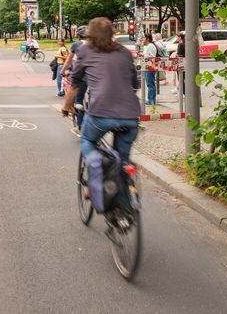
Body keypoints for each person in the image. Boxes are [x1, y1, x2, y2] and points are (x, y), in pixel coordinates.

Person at [63, 17, 139, 206]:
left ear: (89, 35)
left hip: (101, 112)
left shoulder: (85, 51)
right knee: (122, 161)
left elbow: (75, 83)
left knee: (87, 139)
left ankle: (95, 162)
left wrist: (66, 107)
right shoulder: (124, 52)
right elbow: (134, 84)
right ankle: (125, 211)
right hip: (130, 115)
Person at [61, 25, 88, 131]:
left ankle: (80, 125)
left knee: (78, 99)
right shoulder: (95, 44)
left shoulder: (76, 45)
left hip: (81, 76)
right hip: (96, 76)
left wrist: (62, 71)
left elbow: (68, 61)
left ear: (78, 36)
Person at [143, 33, 158, 106]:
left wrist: (144, 57)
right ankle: (151, 99)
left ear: (147, 39)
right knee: (150, 83)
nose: (143, 39)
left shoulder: (150, 46)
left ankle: (151, 100)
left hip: (150, 66)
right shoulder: (149, 46)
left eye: (144, 38)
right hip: (150, 66)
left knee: (150, 84)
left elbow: (150, 57)